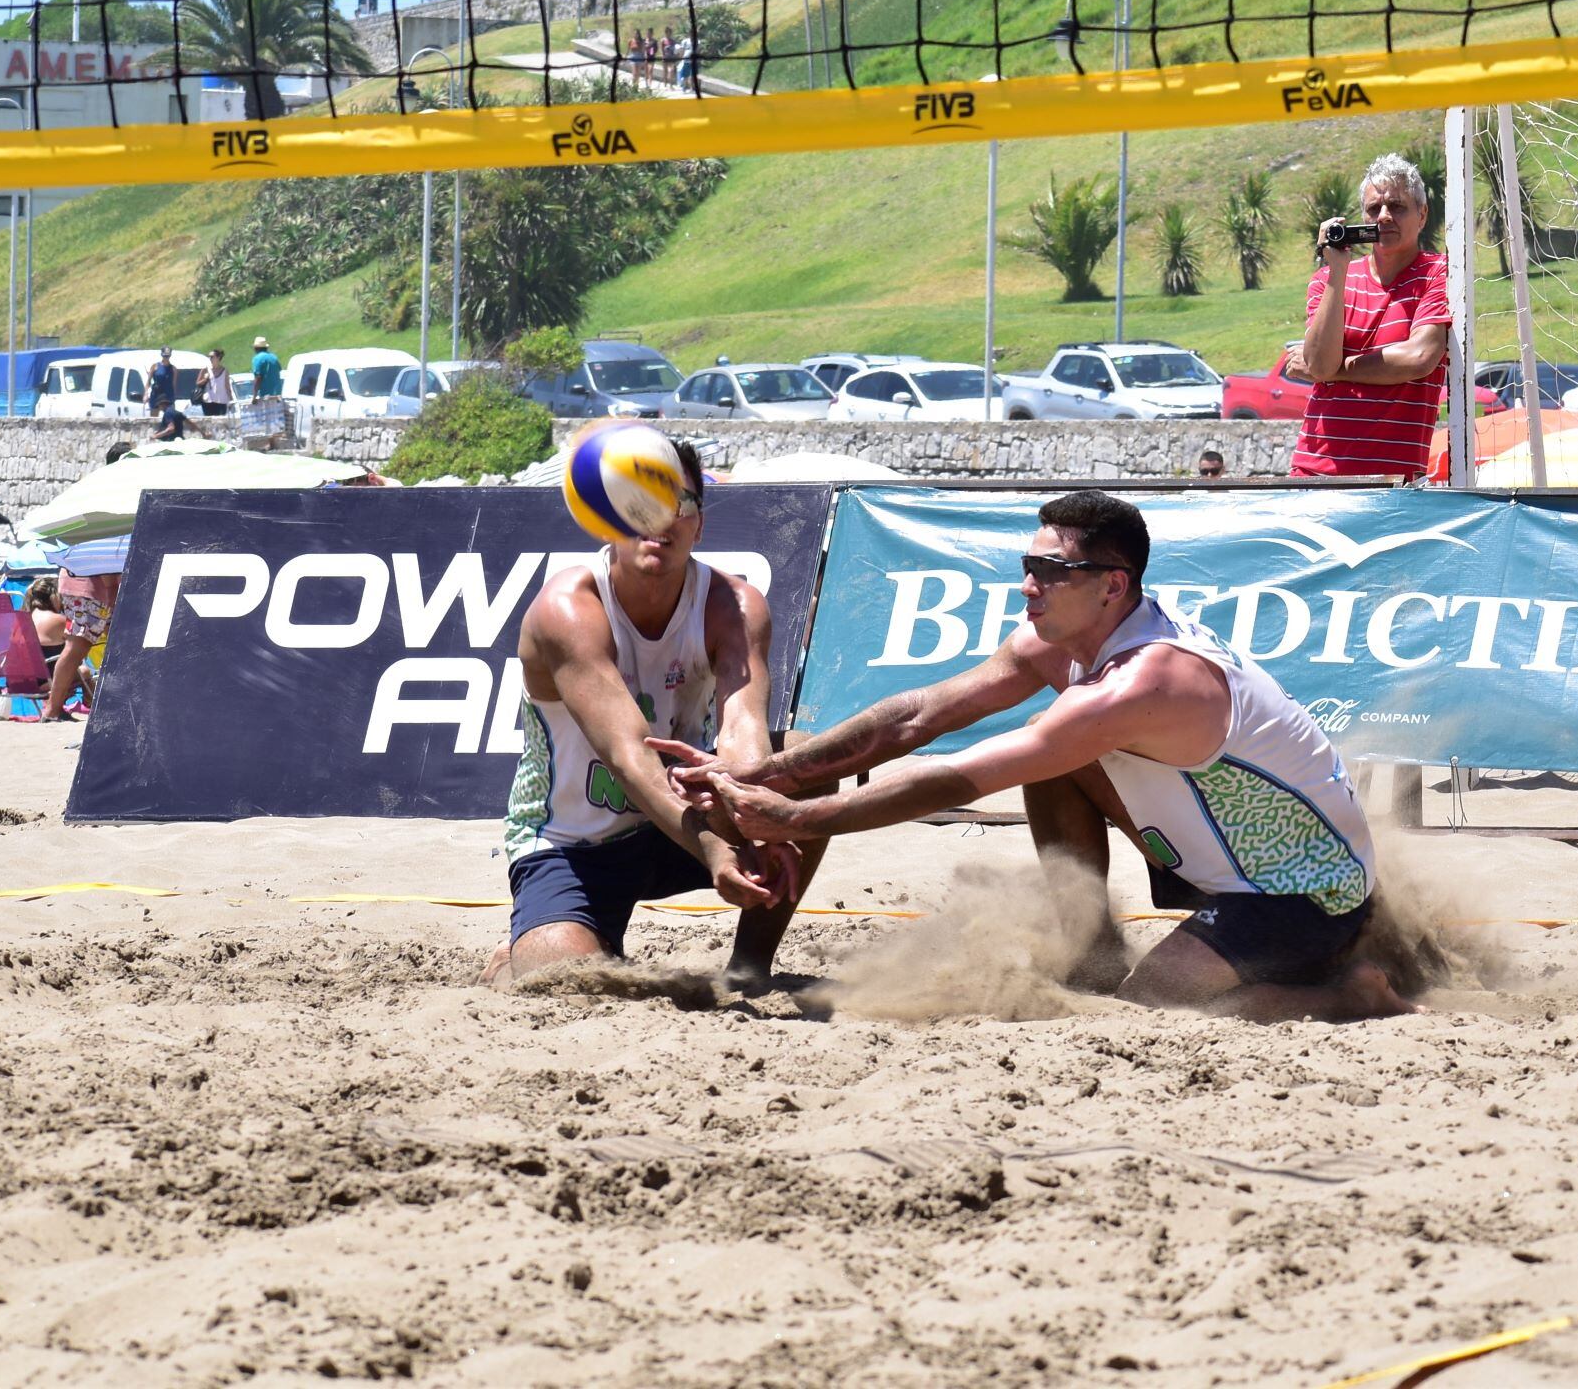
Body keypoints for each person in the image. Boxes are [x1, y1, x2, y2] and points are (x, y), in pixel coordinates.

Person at [664, 491, 1406, 1022]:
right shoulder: (1065, 645)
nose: (1029, 585)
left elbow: (960, 774)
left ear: (1112, 585)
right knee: (1057, 759)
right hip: (1211, 850)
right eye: (1029, 564)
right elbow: (918, 715)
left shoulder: (1144, 681)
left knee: (1153, 1013)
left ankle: (1349, 993)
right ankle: (1091, 949)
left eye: (1051, 571)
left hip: (1301, 892)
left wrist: (798, 814)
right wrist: (760, 773)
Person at [489, 435, 821, 993]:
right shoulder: (566, 609)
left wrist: (761, 825)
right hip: (574, 844)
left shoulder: (734, 605)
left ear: (700, 523)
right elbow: (627, 755)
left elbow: (744, 734)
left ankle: (749, 968)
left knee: (807, 761)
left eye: (680, 502)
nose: (659, 518)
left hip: (682, 822)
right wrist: (716, 847)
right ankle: (529, 944)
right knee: (568, 982)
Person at [1290, 152, 1451, 482]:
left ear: (1422, 215)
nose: (1385, 216)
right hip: (1315, 472)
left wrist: (1340, 370)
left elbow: (1419, 357)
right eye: (1374, 209)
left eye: (1397, 206)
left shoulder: (1440, 272)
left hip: (1394, 480)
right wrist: (1336, 270)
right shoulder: (1328, 280)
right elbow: (1320, 365)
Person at [42, 572, 118, 720]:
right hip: (92, 588)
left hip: (80, 584)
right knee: (77, 646)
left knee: (115, 643)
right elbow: (106, 561)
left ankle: (53, 709)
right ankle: (52, 710)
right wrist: (112, 589)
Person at [200, 348, 235, 416]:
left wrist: (231, 399)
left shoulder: (225, 371)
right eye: (209, 356)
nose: (210, 358)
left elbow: (227, 386)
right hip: (208, 401)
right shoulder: (205, 369)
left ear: (218, 358)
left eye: (212, 357)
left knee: (221, 422)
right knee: (210, 423)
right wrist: (205, 379)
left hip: (221, 401)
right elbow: (198, 383)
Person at [145, 348, 177, 420]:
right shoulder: (155, 366)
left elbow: (174, 384)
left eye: (167, 356)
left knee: (170, 417)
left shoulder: (173, 369)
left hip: (168, 395)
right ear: (162, 355)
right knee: (153, 418)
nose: (166, 358)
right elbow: (148, 381)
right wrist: (146, 394)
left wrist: (174, 397)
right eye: (165, 356)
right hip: (156, 394)